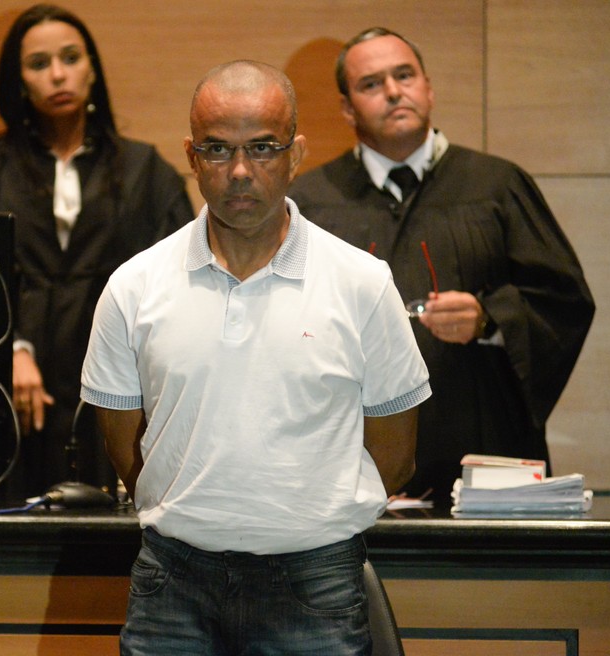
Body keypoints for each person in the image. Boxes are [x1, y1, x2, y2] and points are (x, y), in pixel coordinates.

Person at [81, 60, 430, 655]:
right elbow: (124, 447)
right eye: (217, 150)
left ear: (296, 155)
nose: (240, 171)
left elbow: (394, 454)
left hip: (316, 583)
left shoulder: (363, 283)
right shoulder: (132, 286)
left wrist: (301, 517)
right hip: (172, 584)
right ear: (191, 157)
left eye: (262, 148)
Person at [288, 27, 595, 506]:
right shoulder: (309, 203)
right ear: (347, 108)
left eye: (404, 75)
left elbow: (564, 302)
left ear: (428, 87)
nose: (393, 91)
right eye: (371, 84)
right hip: (352, 468)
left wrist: (490, 319)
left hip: (487, 460)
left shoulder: (498, 185)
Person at [0, 4, 193, 497]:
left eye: (70, 57)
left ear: (92, 69)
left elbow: (182, 282)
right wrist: (8, 349)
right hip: (11, 396)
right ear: (18, 81)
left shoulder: (145, 171)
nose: (57, 74)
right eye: (38, 64)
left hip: (119, 391)